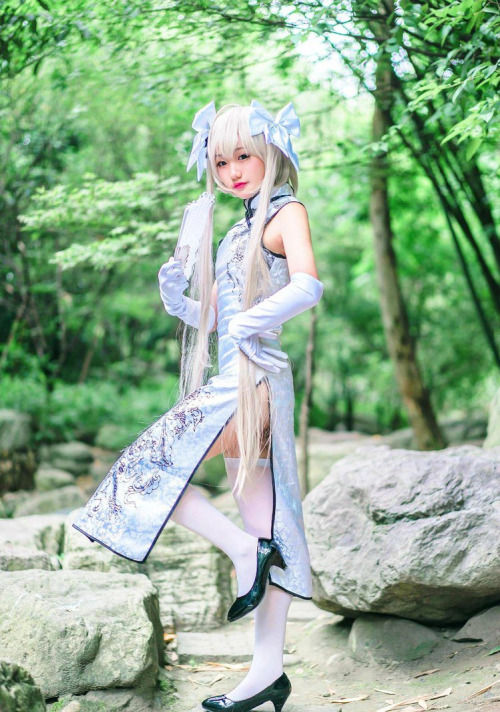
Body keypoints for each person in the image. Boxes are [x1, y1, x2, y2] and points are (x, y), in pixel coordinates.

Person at [72, 99, 323, 712]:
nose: (232, 171)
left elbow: (308, 286)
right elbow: (214, 319)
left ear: (270, 154)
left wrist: (251, 323)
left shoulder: (285, 213)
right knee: (246, 514)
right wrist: (178, 299)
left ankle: (247, 569)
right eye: (221, 162)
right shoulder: (236, 231)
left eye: (243, 156)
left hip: (255, 379)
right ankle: (265, 660)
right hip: (232, 374)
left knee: (153, 470)